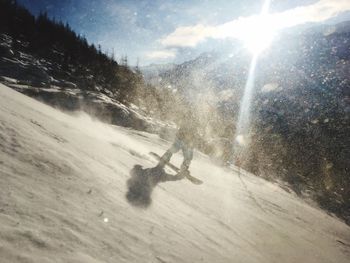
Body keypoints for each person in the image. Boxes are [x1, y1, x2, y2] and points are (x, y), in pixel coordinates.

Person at [157, 109, 199, 175]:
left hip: (187, 143)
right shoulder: (186, 122)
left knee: (188, 156)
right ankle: (165, 159)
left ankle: (184, 167)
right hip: (180, 140)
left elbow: (193, 135)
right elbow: (183, 130)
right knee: (174, 149)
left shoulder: (194, 125)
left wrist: (192, 142)